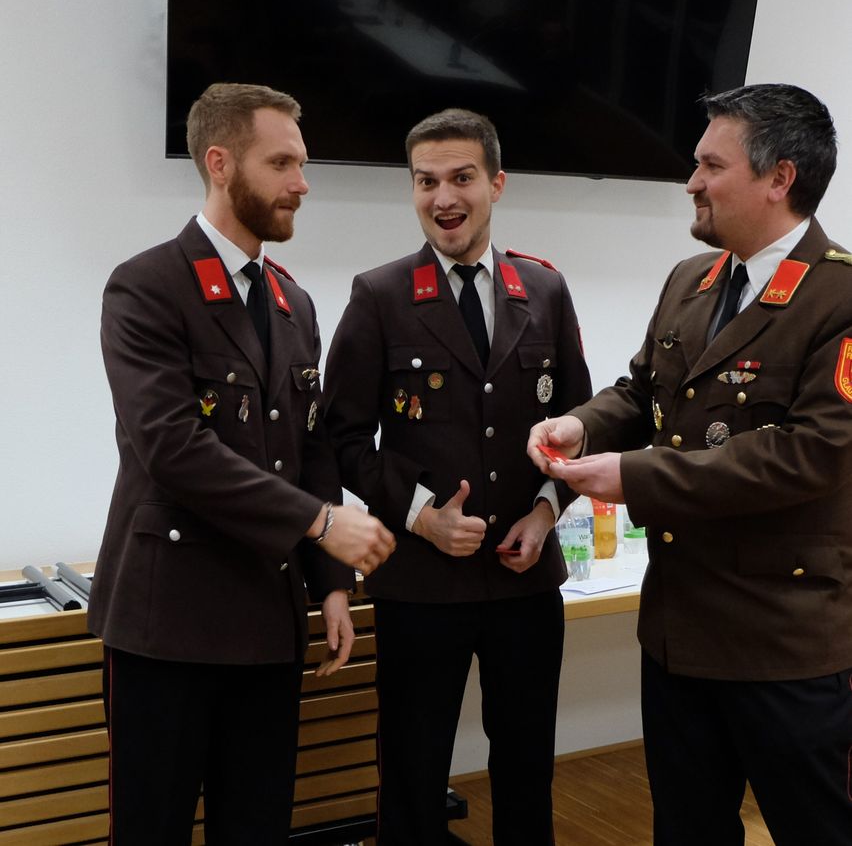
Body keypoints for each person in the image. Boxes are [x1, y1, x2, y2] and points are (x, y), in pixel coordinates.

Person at [528, 83, 852, 845]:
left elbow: (811, 453)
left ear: (779, 178)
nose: (692, 181)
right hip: (677, 633)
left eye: (711, 164)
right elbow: (642, 391)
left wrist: (632, 476)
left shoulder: (840, 296)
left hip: (784, 642)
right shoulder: (693, 280)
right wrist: (582, 425)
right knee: (687, 831)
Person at [90, 82, 395, 844]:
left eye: (301, 162)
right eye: (283, 162)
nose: (302, 182)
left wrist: (328, 586)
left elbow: (313, 446)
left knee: (257, 827)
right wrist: (322, 525)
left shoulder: (293, 303)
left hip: (267, 618)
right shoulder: (147, 286)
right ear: (220, 164)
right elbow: (172, 448)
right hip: (169, 623)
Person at [323, 108, 592, 844]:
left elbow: (579, 424)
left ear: (496, 183)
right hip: (420, 584)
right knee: (412, 774)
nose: (444, 197)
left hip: (526, 580)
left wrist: (544, 513)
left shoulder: (544, 289)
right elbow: (343, 437)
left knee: (528, 768)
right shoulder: (379, 295)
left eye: (461, 178)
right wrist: (419, 516)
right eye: (426, 181)